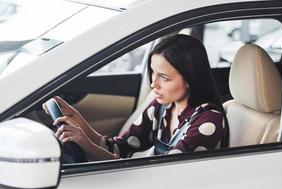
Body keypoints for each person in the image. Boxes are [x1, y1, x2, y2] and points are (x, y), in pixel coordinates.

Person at [44, 34, 229, 162]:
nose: (153, 84)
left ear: (190, 78)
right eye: (153, 73)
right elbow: (122, 147)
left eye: (164, 78)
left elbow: (160, 172)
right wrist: (79, 121)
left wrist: (87, 145)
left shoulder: (209, 121)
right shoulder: (162, 106)